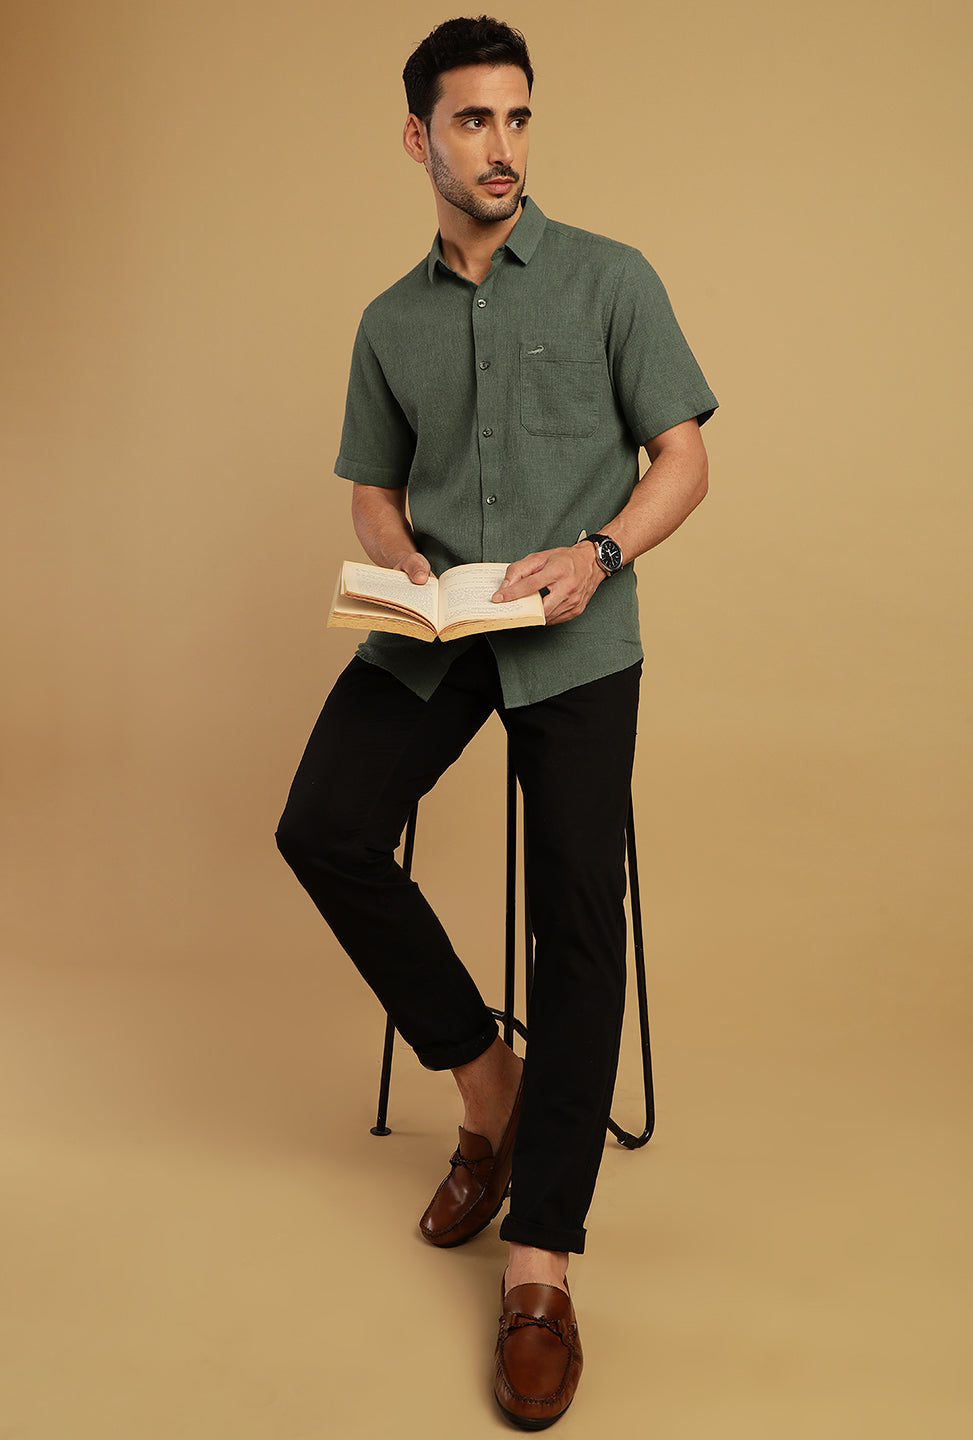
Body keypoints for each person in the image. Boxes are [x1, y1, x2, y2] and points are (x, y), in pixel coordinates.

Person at [276, 15, 716, 1428]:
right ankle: (489, 1085)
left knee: (578, 911)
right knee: (324, 826)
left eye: (518, 118)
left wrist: (600, 553)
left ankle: (543, 1260)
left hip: (577, 624)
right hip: (447, 628)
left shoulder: (611, 278)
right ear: (420, 138)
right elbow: (373, 486)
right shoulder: (388, 322)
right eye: (474, 121)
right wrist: (397, 555)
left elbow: (684, 457)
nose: (503, 145)